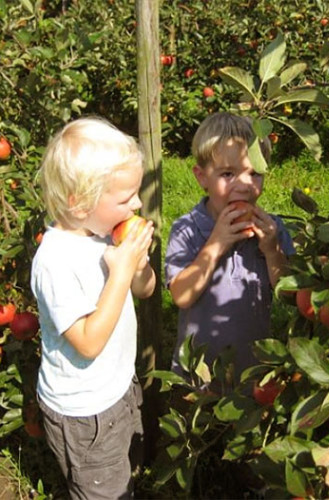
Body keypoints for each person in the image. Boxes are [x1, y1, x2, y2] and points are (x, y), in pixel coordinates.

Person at [30, 116, 155, 499]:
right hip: (85, 413)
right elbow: (87, 342)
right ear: (79, 202)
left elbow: (146, 290)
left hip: (115, 388)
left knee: (119, 474)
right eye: (124, 198)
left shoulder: (104, 236)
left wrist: (139, 265)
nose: (136, 204)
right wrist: (119, 274)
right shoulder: (55, 261)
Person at [165, 112, 294, 388]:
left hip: (255, 375)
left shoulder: (272, 230)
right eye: (227, 174)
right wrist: (216, 244)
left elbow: (290, 293)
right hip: (198, 376)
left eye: (254, 173)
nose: (244, 185)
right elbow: (181, 296)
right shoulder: (187, 229)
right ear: (202, 177)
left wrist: (272, 252)